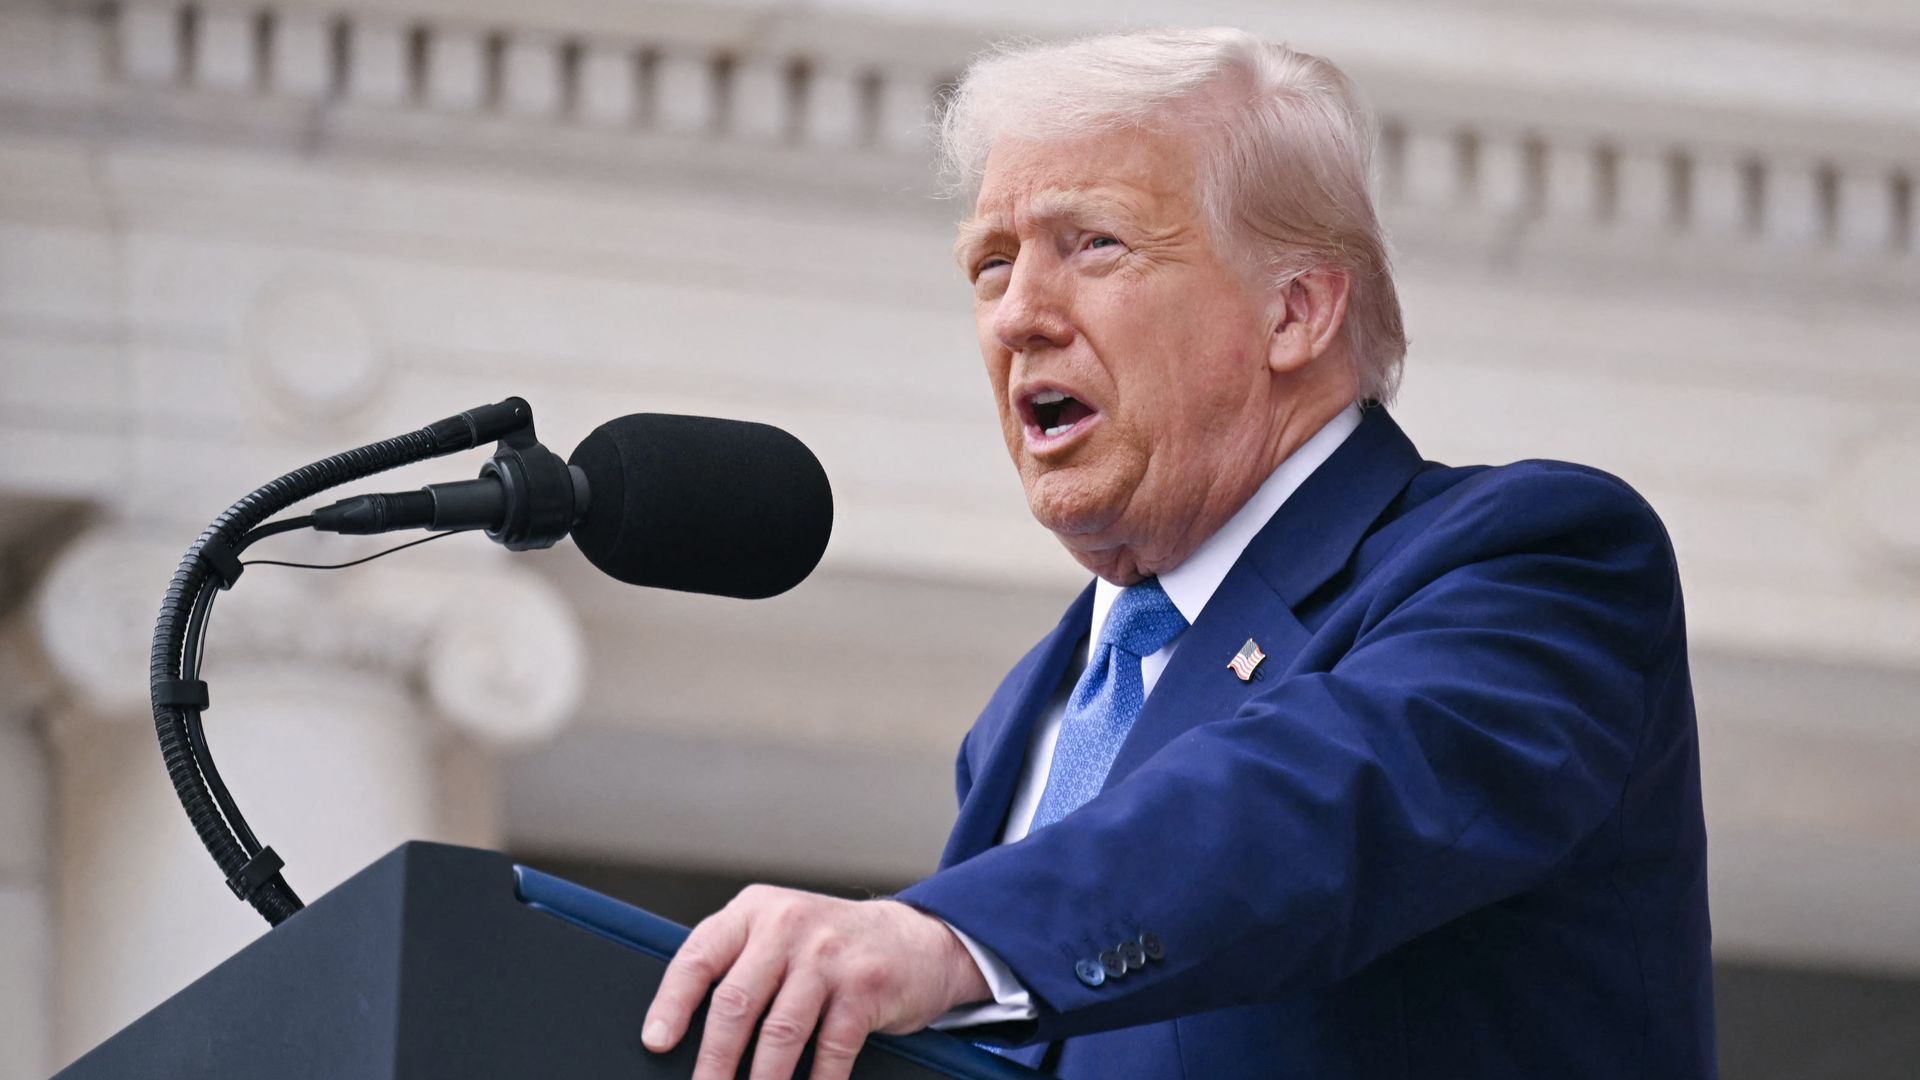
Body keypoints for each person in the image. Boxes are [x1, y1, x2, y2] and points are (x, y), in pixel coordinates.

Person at [641, 27, 1716, 1080]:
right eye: (992, 264)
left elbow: (1307, 804)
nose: (1017, 316)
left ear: (1294, 310)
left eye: (1093, 244)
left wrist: (944, 938)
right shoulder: (1036, 714)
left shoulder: (1537, 564)